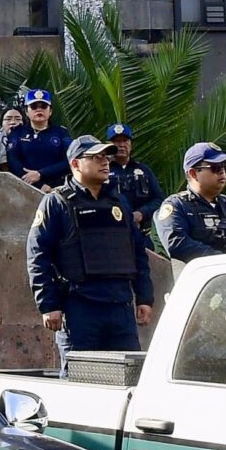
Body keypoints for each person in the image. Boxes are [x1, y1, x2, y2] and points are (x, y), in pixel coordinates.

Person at [27, 136, 156, 358]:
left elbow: (136, 251)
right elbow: (38, 255)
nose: (105, 162)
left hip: (120, 307)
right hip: (80, 307)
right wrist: (48, 304)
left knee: (127, 379)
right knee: (80, 382)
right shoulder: (57, 202)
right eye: (96, 157)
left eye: (106, 157)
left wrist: (144, 297)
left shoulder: (119, 202)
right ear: (75, 163)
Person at [156, 141, 226, 260]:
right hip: (205, 277)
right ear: (193, 173)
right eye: (215, 168)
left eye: (225, 166)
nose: (222, 172)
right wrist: (223, 261)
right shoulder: (177, 206)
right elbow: (177, 244)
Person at [6, 88, 72, 189]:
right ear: (26, 112)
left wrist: (40, 174)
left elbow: (69, 161)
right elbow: (13, 161)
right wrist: (38, 185)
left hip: (56, 189)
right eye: (33, 106)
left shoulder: (61, 133)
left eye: (44, 106)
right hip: (24, 188)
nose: (39, 110)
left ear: (50, 111)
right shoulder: (17, 132)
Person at [105, 123, 165, 228]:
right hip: (112, 228)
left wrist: (142, 213)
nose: (122, 145)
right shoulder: (103, 170)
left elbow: (159, 199)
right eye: (117, 141)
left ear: (131, 145)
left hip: (142, 229)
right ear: (109, 145)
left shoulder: (143, 170)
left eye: (125, 141)